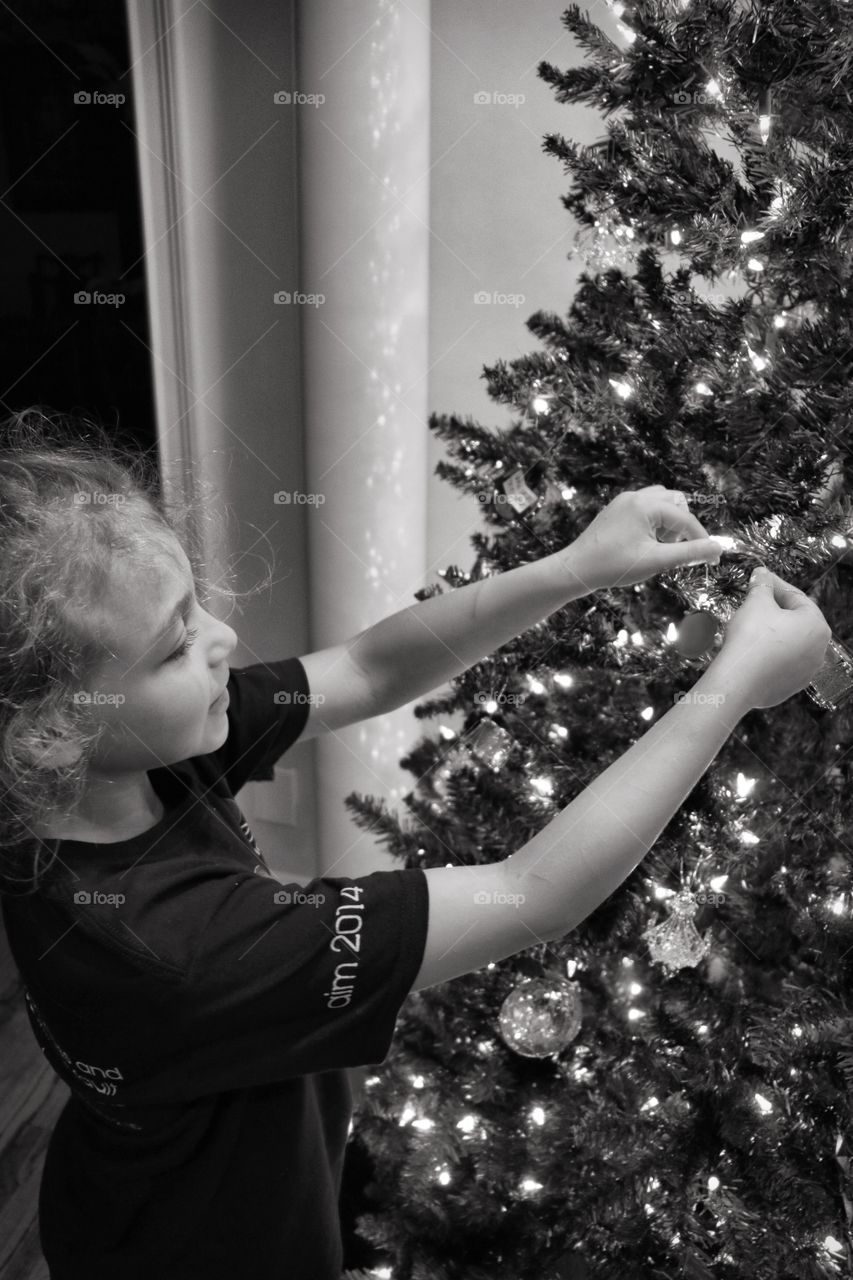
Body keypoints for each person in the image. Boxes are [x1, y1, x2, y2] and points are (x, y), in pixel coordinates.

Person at [0, 408, 831, 1280]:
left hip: (144, 1190)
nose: (223, 640)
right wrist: (730, 687)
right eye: (176, 646)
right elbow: (532, 895)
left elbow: (367, 669)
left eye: (197, 603)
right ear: (52, 730)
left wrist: (573, 568)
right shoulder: (180, 949)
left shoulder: (118, 766)